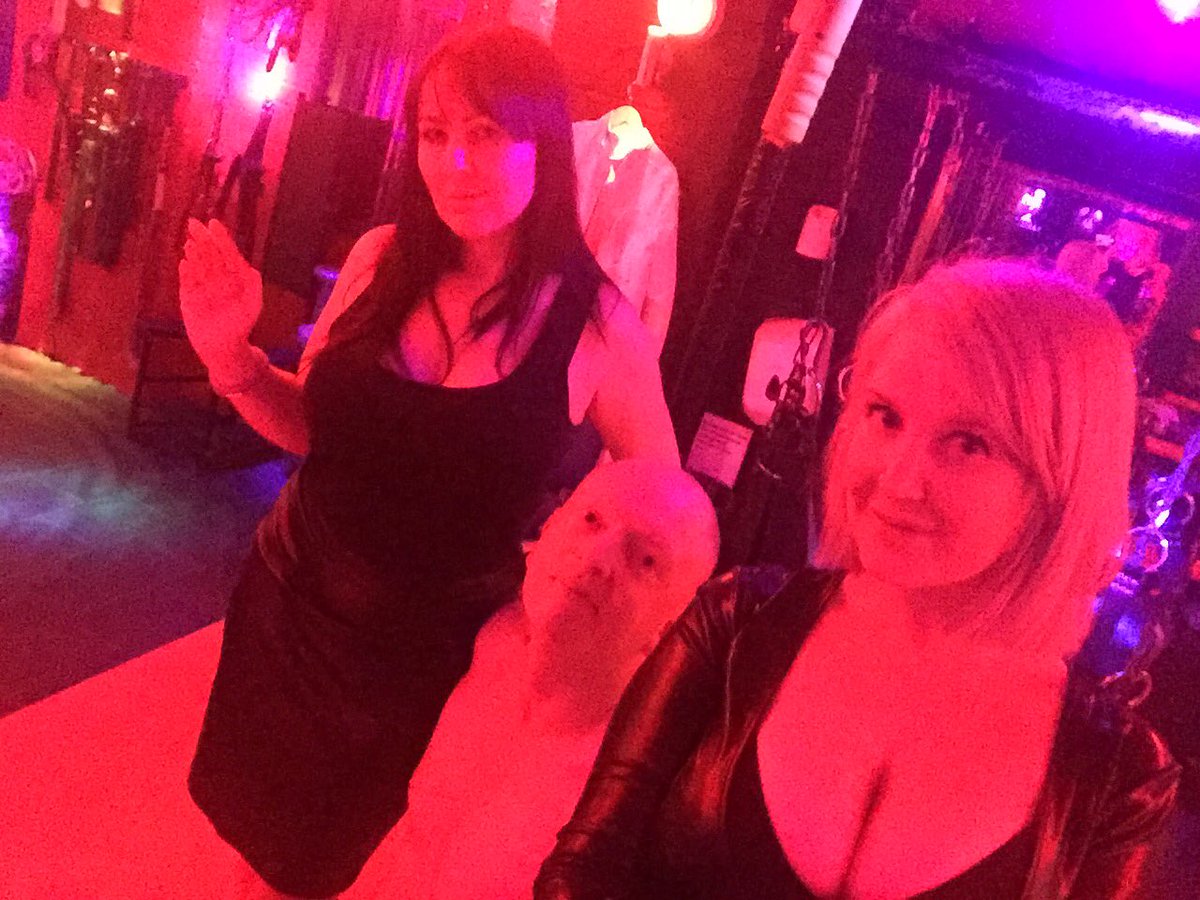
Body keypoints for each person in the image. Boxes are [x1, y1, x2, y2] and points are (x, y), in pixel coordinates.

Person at [177, 26, 679, 900]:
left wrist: (577, 591)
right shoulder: (379, 260)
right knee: (249, 838)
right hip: (285, 604)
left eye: (487, 133)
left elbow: (665, 515)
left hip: (418, 667)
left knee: (328, 864)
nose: (457, 164)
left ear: (544, 142)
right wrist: (231, 358)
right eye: (436, 134)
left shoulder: (598, 325)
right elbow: (316, 434)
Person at [535, 259, 1181, 900]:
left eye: (968, 443)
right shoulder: (735, 625)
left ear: (1060, 483)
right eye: (885, 415)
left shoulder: (1118, 783)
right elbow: (585, 867)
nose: (897, 481)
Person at [351, 459, 718, 899]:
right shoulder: (490, 634)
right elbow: (412, 841)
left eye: (644, 560)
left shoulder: (628, 806)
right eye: (591, 520)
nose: (596, 557)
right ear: (549, 527)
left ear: (669, 628)